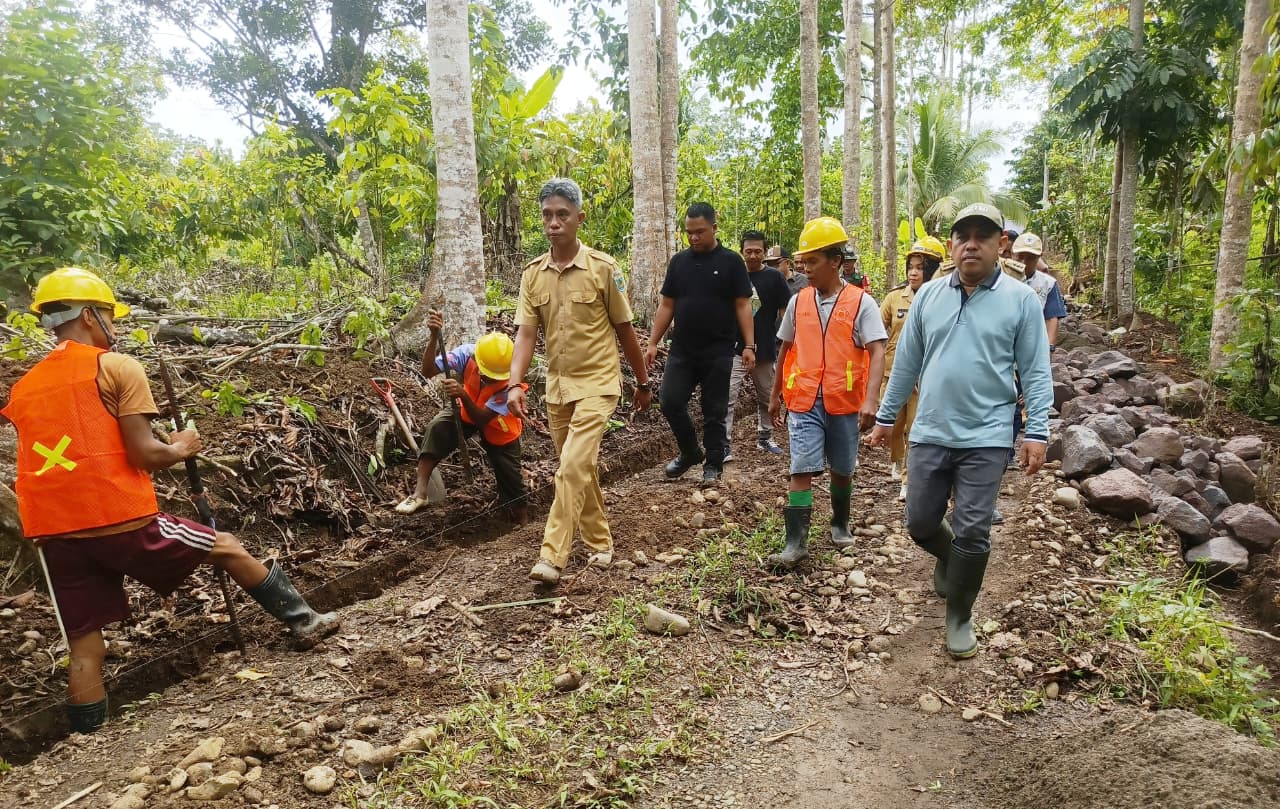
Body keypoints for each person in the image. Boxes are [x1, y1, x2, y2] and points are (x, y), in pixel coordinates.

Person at [0, 267, 339, 733]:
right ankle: (307, 622)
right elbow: (146, 453)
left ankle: (86, 738)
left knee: (84, 643)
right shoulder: (116, 366)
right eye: (109, 316)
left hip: (54, 531)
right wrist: (184, 446)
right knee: (226, 546)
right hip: (117, 515)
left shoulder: (24, 386)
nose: (113, 327)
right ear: (91, 315)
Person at [868, 203, 1052, 660]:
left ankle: (960, 614)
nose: (971, 244)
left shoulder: (1021, 301)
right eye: (962, 236)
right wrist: (887, 418)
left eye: (982, 237)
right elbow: (906, 362)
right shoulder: (929, 296)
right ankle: (952, 560)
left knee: (974, 530)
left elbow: (1035, 371)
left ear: (999, 245)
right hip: (930, 430)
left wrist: (1037, 431)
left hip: (987, 437)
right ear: (951, 245)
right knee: (920, 522)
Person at [506, 178, 653, 587]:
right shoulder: (533, 275)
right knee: (578, 468)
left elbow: (626, 331)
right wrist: (515, 384)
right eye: (547, 216)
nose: (553, 223)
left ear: (579, 219)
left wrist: (642, 382)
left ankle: (552, 556)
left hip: (599, 384)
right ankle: (601, 543)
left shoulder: (603, 270)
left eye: (562, 215)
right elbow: (526, 335)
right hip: (558, 389)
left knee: (569, 468)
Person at [766, 217, 888, 569]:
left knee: (843, 467)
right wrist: (775, 395)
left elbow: (877, 350)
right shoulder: (798, 301)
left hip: (844, 399)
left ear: (836, 261)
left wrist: (871, 399)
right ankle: (795, 543)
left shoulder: (861, 303)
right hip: (804, 399)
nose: (806, 269)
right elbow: (785, 349)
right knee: (800, 466)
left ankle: (840, 521)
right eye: (803, 262)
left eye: (813, 261)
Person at [646, 203, 755, 484]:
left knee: (714, 410)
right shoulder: (679, 262)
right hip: (683, 349)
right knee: (670, 401)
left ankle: (714, 464)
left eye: (700, 232)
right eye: (689, 233)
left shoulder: (732, 262)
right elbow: (667, 304)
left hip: (718, 349)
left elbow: (743, 305)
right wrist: (652, 342)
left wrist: (749, 345)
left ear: (714, 228)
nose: (694, 238)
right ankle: (690, 451)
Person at [394, 312, 527, 522]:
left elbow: (483, 418)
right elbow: (428, 371)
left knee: (511, 477)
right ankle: (420, 493)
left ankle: (521, 520)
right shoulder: (467, 355)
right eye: (488, 374)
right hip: (466, 412)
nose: (492, 379)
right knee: (438, 428)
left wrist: (462, 394)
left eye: (496, 376)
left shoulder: (512, 382)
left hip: (499, 427)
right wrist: (433, 336)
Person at [880, 237, 944, 500]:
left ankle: (908, 479)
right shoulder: (895, 297)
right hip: (892, 374)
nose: (913, 272)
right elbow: (877, 330)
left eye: (920, 267)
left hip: (923, 379)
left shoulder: (942, 299)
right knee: (894, 426)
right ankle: (897, 459)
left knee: (914, 428)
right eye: (911, 267)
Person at [725, 230, 791, 459]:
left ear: (764, 251)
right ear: (741, 251)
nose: (753, 256)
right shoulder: (733, 275)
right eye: (748, 251)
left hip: (765, 347)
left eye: (758, 251)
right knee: (728, 395)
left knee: (766, 394)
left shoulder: (774, 277)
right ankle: (724, 443)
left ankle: (765, 437)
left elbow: (785, 310)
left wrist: (788, 339)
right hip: (734, 347)